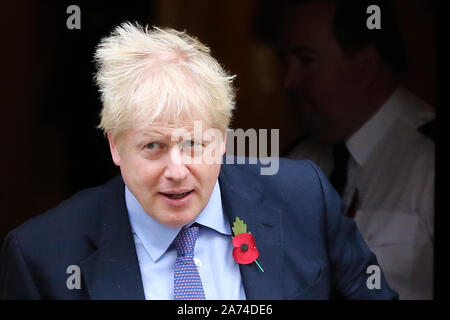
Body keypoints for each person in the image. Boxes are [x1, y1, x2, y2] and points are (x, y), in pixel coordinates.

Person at [0, 22, 397, 300]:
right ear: (115, 147)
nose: (176, 171)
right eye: (153, 146)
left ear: (222, 140)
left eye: (194, 144)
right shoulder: (41, 256)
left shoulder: (303, 198)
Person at [279, 0, 434, 299]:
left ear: (365, 67)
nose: (288, 81)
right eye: (285, 63)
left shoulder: (428, 160)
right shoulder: (295, 162)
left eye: (306, 60)